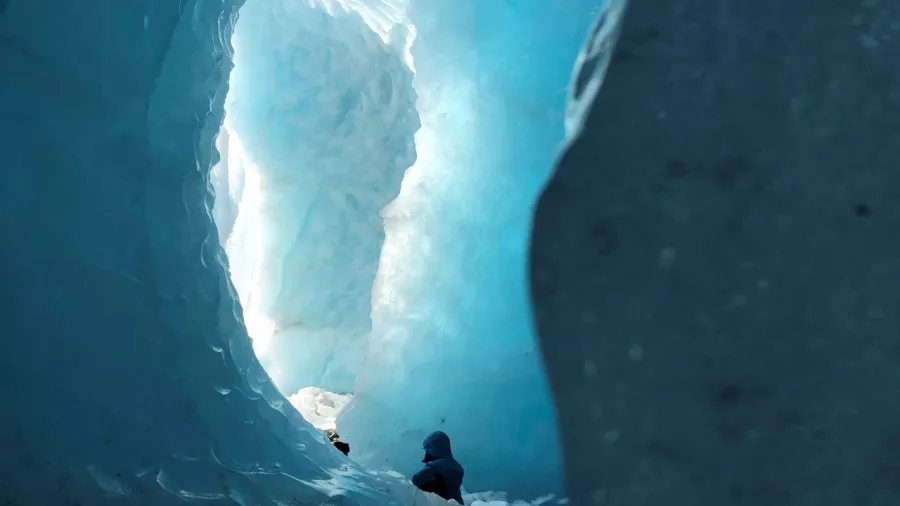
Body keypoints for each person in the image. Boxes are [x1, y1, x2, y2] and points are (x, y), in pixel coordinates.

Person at [412, 431, 465, 504]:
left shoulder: (435, 466)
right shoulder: (458, 466)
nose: (427, 452)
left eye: (428, 448)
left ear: (435, 447)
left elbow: (416, 480)